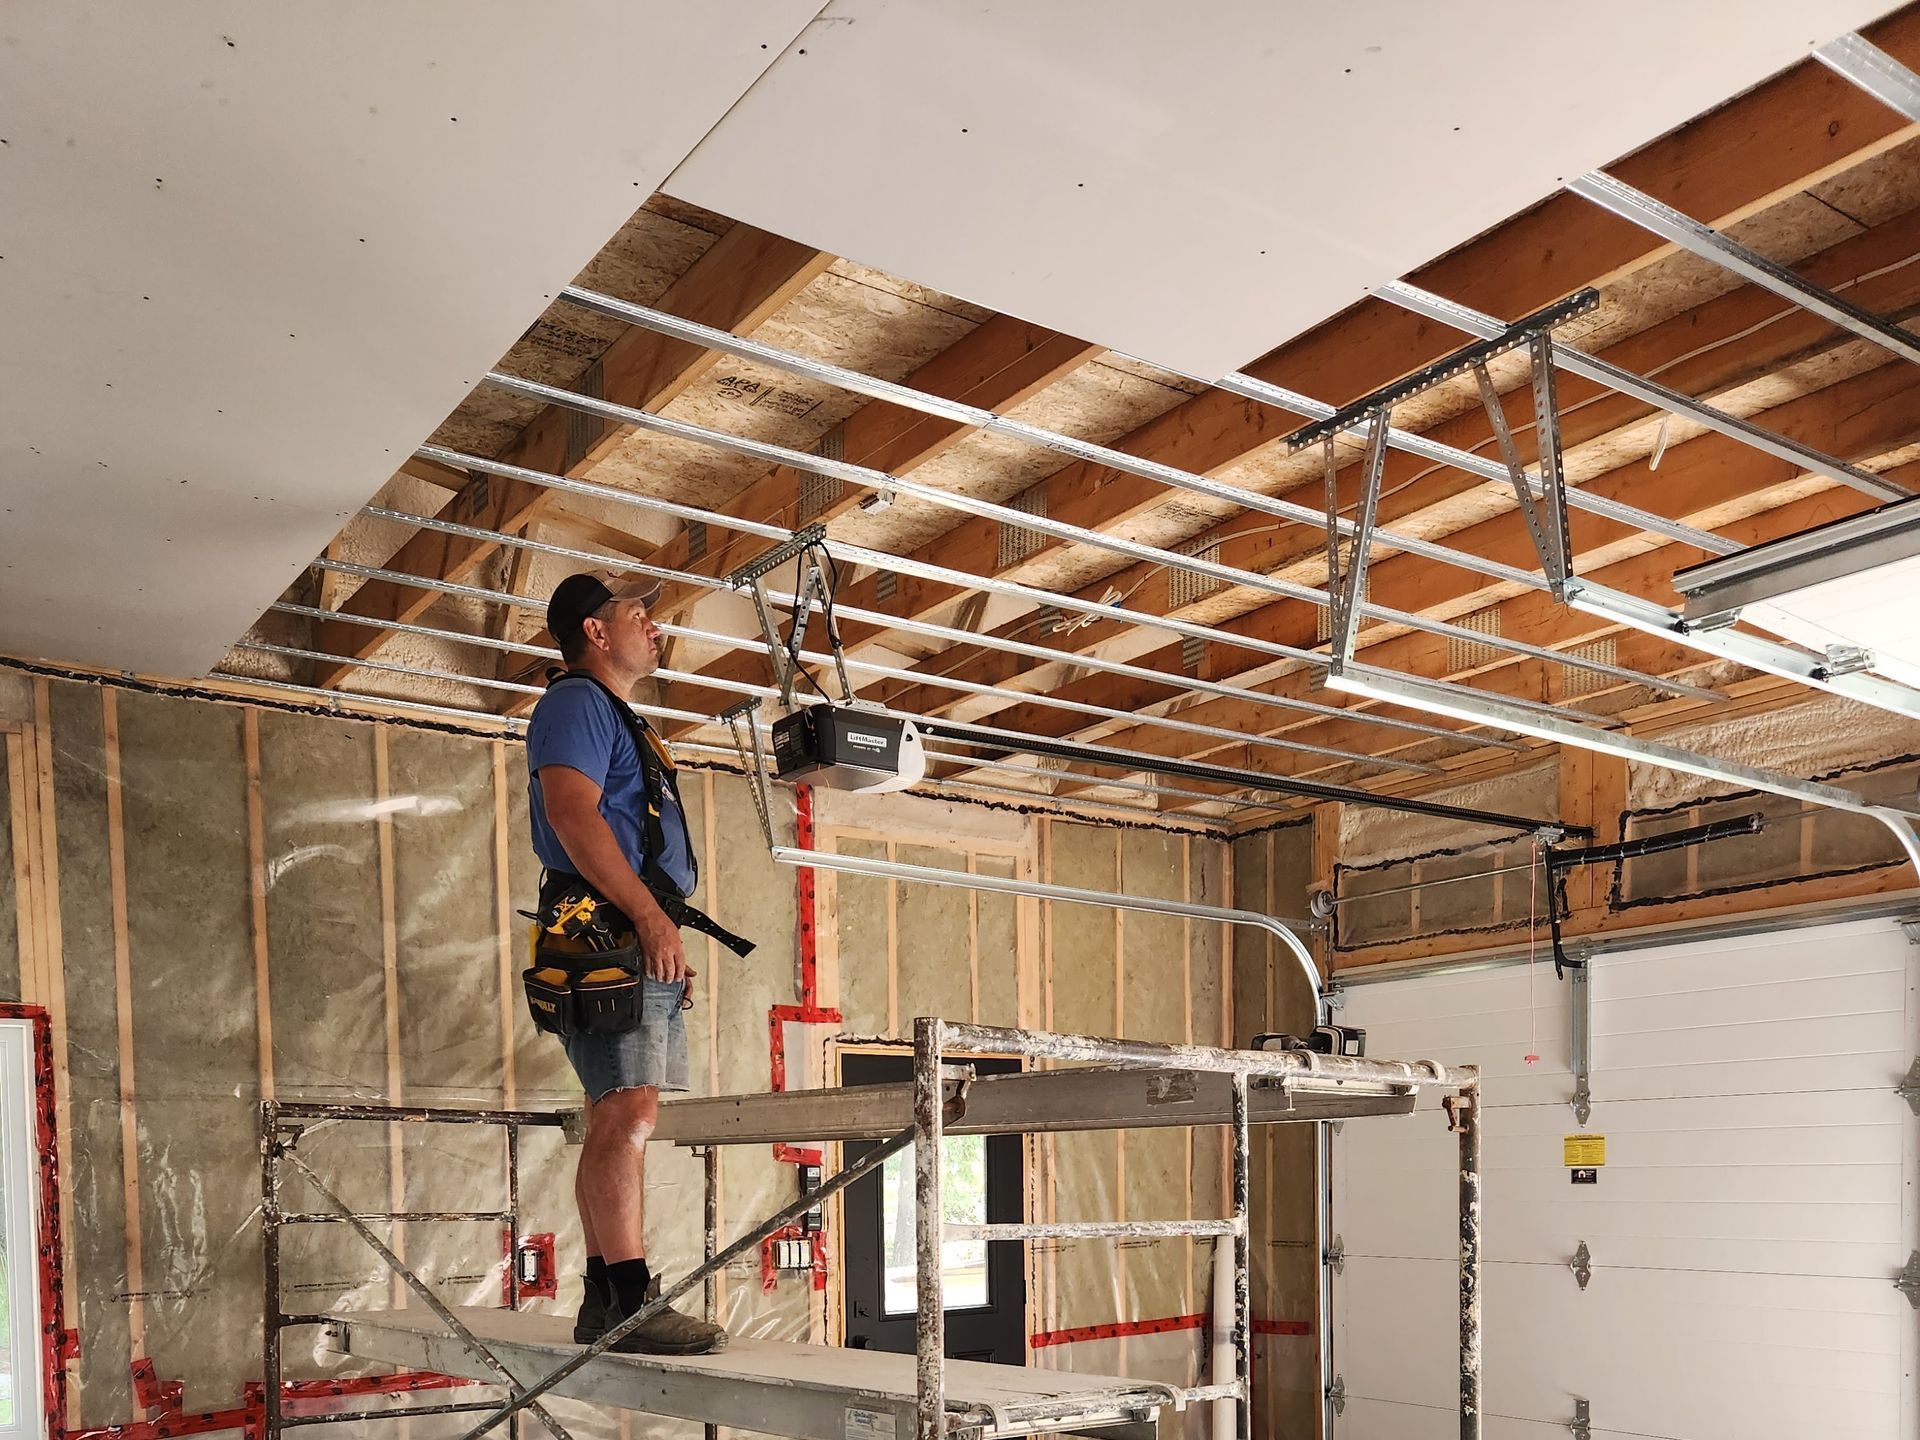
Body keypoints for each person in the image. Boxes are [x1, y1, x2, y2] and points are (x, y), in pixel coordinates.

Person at [526, 569, 731, 1355]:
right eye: (635, 614)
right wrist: (647, 916)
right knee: (627, 1112)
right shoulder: (577, 701)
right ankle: (627, 1301)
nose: (655, 625)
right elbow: (572, 814)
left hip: (624, 932)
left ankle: (608, 1299)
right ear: (595, 633)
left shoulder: (609, 712)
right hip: (611, 928)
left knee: (621, 1110)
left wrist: (661, 928)